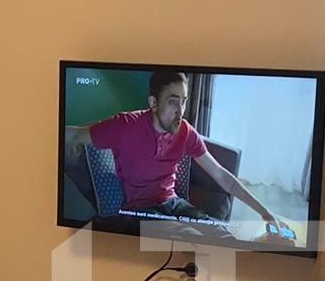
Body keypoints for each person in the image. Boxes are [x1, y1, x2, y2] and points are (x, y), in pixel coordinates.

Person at [63, 70, 285, 235]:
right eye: (172, 102)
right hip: (139, 212)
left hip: (173, 202)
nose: (180, 112)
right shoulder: (125, 125)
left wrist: (264, 212)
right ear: (153, 103)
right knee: (190, 238)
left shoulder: (185, 132)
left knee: (221, 235)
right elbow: (73, 135)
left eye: (184, 102)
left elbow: (221, 175)